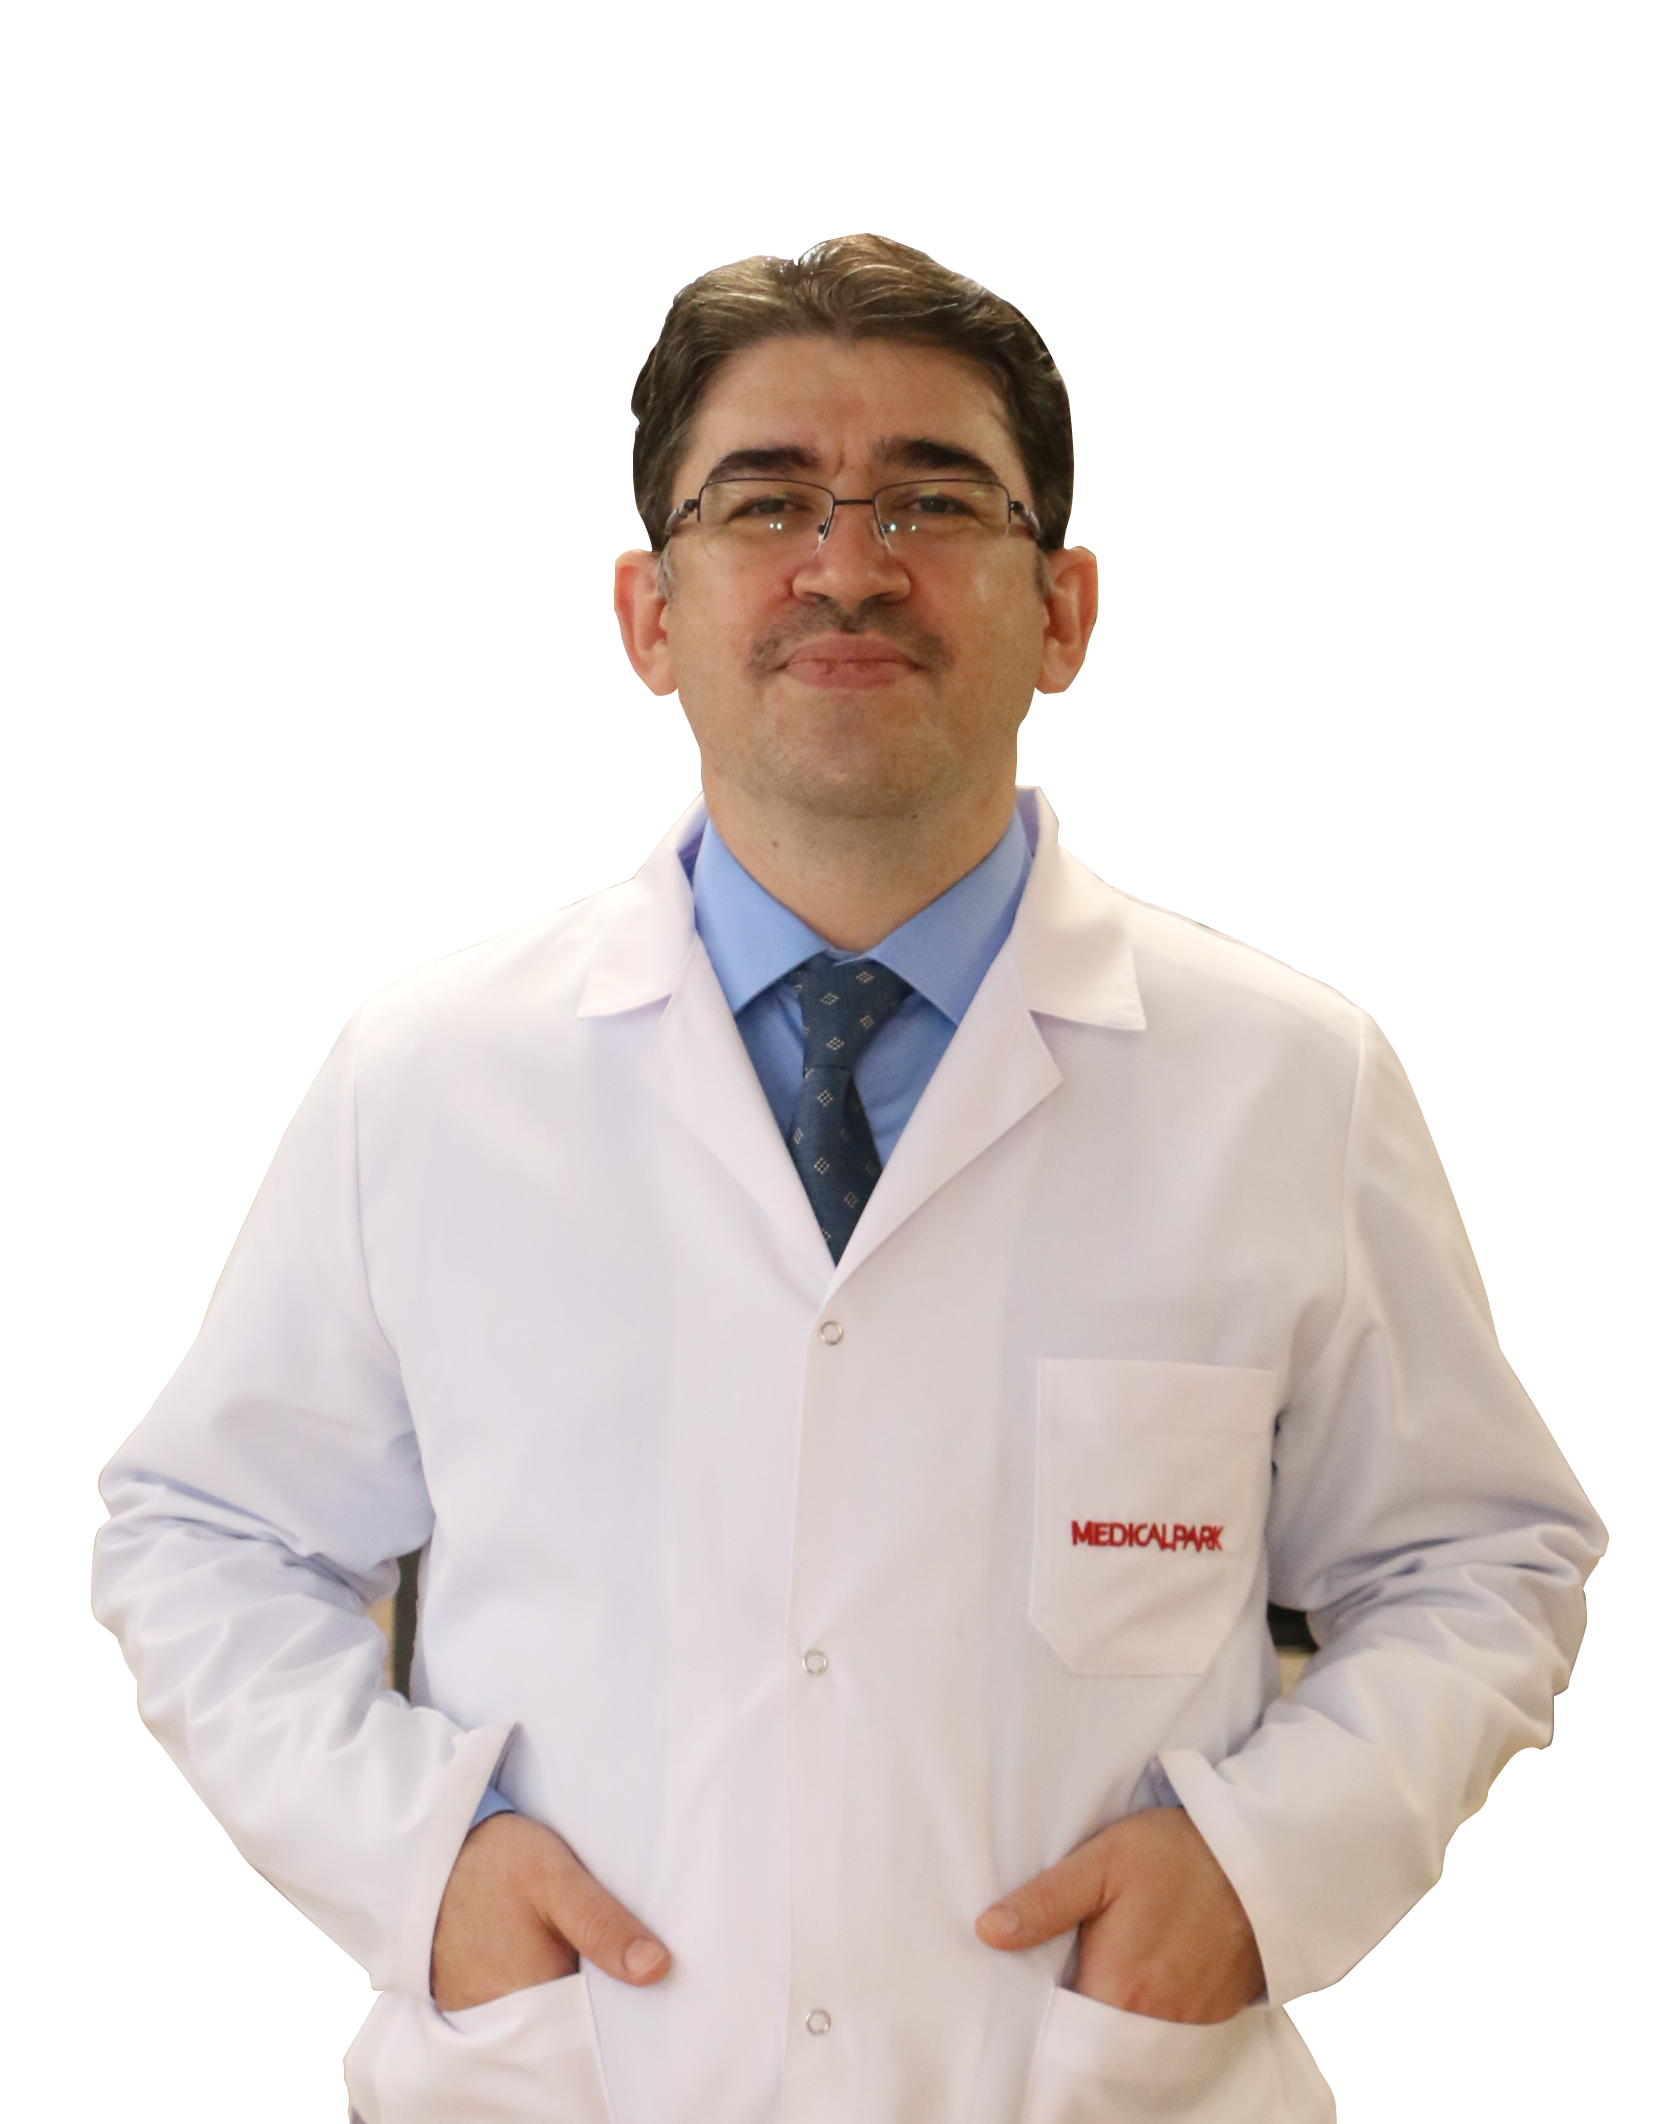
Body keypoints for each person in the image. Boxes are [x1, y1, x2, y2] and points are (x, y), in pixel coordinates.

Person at [91, 235, 1605, 2124]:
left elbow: (1473, 1560)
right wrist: (423, 1869)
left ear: (1063, 611)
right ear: (648, 615)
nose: (847, 563)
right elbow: (206, 1535)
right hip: (571, 2083)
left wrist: (1254, 1874)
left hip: (1095, 2090)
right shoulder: (431, 1072)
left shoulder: (1288, 1077)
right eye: (764, 502)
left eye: (932, 500)